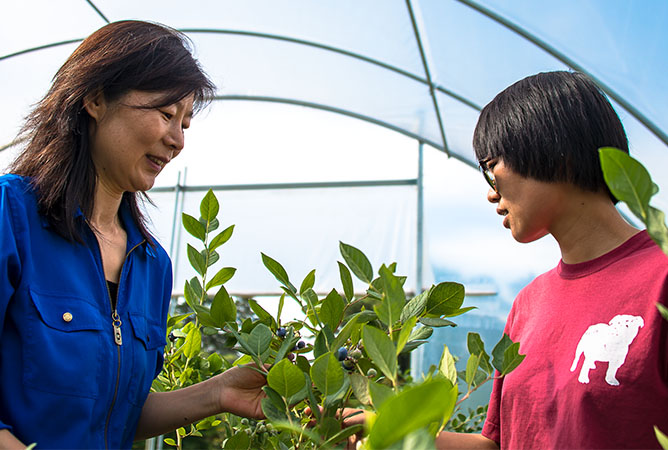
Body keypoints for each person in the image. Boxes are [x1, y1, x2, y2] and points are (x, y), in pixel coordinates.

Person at [341, 71, 668, 449]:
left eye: (491, 167)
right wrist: (379, 430)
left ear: (550, 147)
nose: (490, 192)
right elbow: (498, 444)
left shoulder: (659, 280)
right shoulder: (529, 304)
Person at [0, 21, 266, 449]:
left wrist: (217, 393)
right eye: (165, 114)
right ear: (95, 99)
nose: (176, 139)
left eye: (185, 123)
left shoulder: (150, 265)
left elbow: (114, 413)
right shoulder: (11, 216)